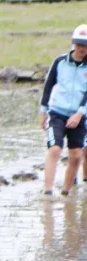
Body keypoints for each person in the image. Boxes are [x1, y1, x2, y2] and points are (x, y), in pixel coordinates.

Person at [40, 24, 87, 196]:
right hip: (57, 112)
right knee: (54, 149)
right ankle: (48, 191)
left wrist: (79, 113)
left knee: (76, 154)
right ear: (74, 44)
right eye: (79, 44)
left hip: (79, 115)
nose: (82, 49)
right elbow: (48, 86)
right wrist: (42, 111)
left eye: (85, 46)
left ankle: (66, 192)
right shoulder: (60, 62)